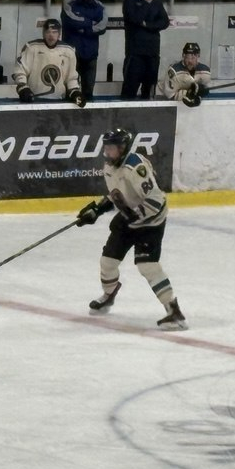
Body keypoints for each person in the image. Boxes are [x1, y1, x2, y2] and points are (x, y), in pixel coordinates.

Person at [74, 128, 186, 331]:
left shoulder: (136, 167)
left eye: (112, 148)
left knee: (148, 266)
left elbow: (156, 200)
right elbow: (117, 194)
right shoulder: (109, 167)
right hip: (129, 218)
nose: (107, 152)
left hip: (151, 222)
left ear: (123, 148)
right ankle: (109, 295)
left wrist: (133, 218)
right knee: (107, 262)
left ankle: (174, 311)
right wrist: (97, 210)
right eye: (106, 147)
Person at [120, 0, 169, 100]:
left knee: (149, 89)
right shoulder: (130, 1)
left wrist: (147, 25)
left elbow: (165, 22)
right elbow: (135, 19)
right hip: (135, 52)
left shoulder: (156, 2)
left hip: (152, 52)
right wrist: (146, 3)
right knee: (130, 88)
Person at [13, 19, 83, 105]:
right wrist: (23, 88)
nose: (51, 35)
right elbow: (20, 70)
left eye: (54, 32)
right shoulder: (31, 47)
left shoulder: (68, 51)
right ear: (43, 34)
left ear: (59, 34)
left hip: (59, 102)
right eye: (48, 32)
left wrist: (75, 92)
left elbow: (71, 77)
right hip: (34, 101)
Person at [61, 0, 107, 102]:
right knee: (70, 92)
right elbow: (70, 21)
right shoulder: (68, 3)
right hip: (71, 55)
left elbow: (102, 26)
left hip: (91, 55)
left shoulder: (99, 6)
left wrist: (84, 29)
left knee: (88, 93)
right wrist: (90, 23)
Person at [158, 41, 211, 106]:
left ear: (198, 56)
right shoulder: (174, 72)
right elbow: (170, 95)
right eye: (188, 57)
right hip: (162, 99)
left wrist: (199, 93)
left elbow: (204, 90)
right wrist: (187, 94)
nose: (190, 61)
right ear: (183, 56)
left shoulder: (205, 72)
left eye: (193, 57)